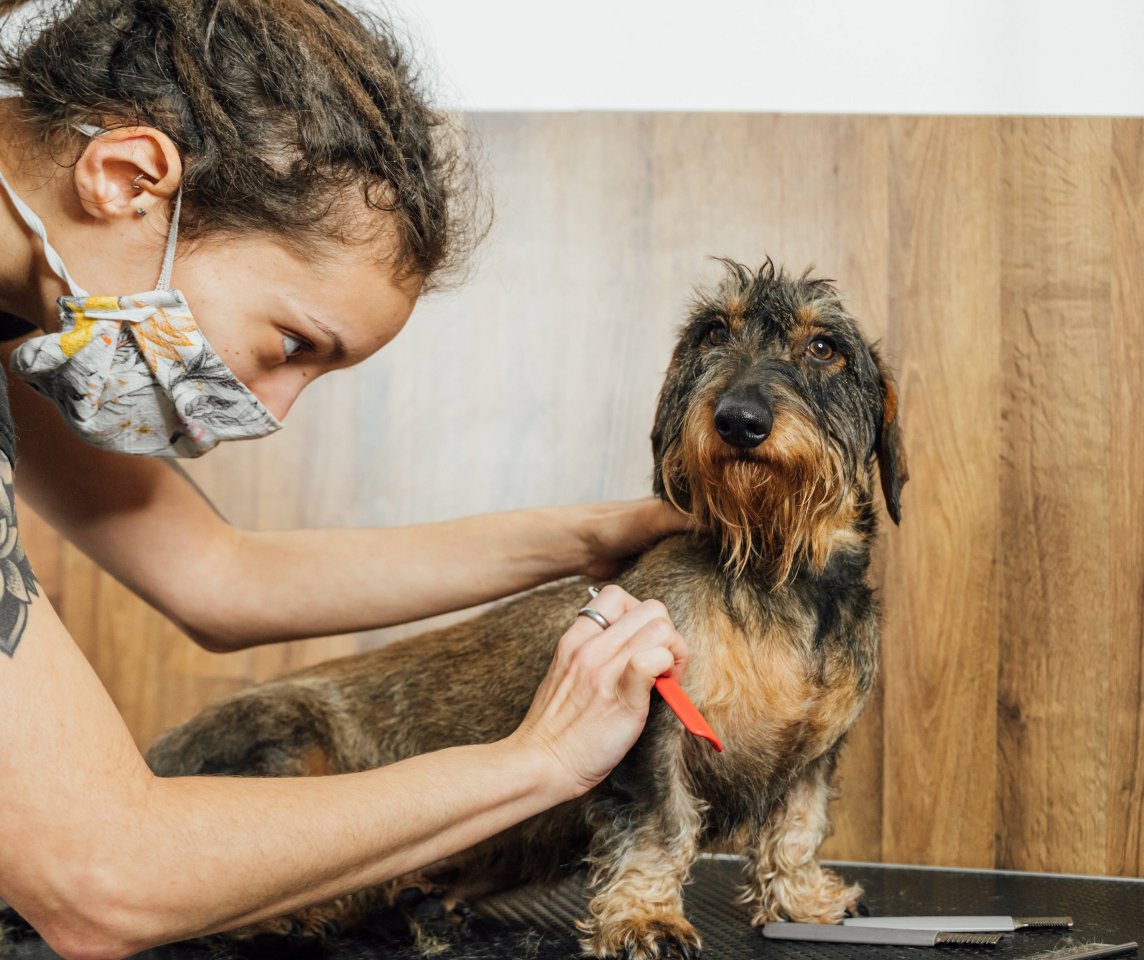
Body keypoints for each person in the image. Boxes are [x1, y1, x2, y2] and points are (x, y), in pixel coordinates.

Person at [0, 2, 692, 957]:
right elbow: (102, 877)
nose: (276, 409)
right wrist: (541, 762)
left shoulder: (24, 307)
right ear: (127, 179)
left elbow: (220, 577)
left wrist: (595, 541)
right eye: (291, 344)